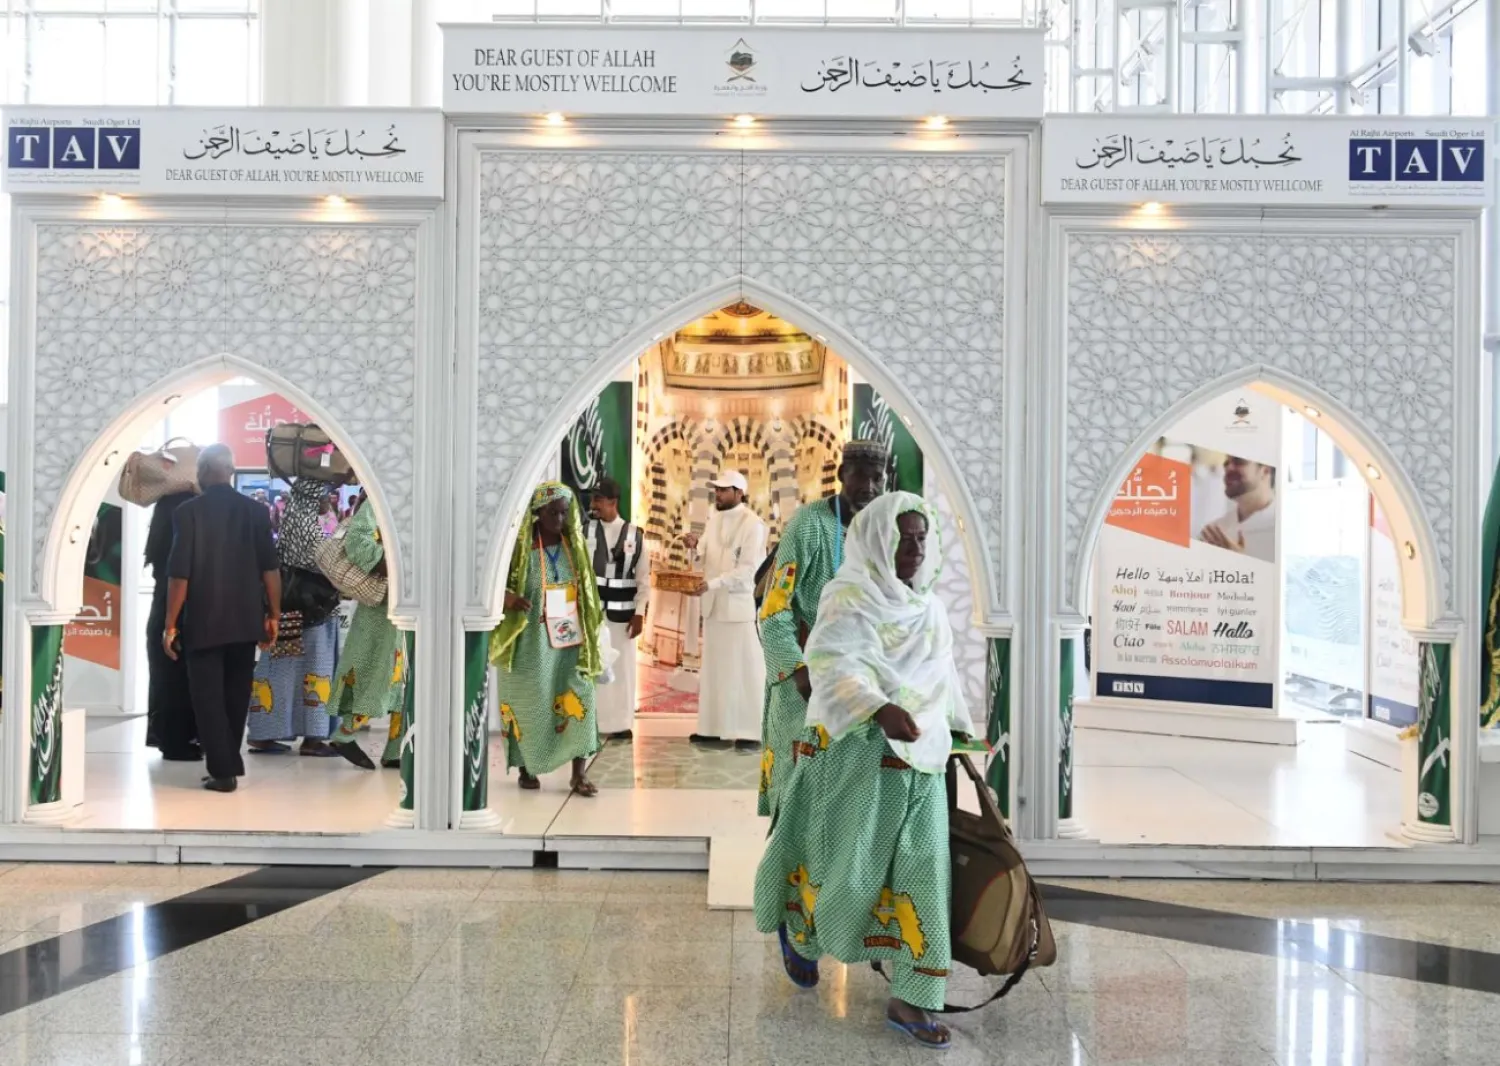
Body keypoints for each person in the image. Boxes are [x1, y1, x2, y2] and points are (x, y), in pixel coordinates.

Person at [754, 493, 972, 1050]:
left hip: (919, 763)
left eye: (923, 537)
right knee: (842, 866)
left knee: (923, 870)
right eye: (903, 535)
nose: (914, 547)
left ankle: (912, 997)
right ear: (877, 537)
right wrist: (879, 708)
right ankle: (802, 935)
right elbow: (832, 661)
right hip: (854, 755)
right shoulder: (846, 596)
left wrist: (958, 735)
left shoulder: (929, 608)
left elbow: (942, 676)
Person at [757, 440, 889, 817]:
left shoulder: (880, 529)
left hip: (859, 684)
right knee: (798, 793)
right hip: (805, 682)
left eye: (877, 477)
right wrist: (799, 674)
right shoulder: (809, 524)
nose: (869, 486)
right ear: (840, 475)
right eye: (860, 476)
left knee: (847, 800)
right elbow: (774, 609)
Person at [163, 445, 280, 793]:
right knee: (235, 696)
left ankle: (224, 770)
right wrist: (273, 614)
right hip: (246, 621)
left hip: (204, 620)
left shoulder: (188, 513)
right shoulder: (256, 512)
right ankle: (228, 763)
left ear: (201, 472)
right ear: (229, 471)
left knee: (207, 698)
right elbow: (270, 569)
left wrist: (170, 623)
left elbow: (179, 575)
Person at [491, 482, 604, 797]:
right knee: (532, 703)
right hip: (528, 643)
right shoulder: (517, 548)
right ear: (537, 513)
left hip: (570, 642)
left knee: (581, 699)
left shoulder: (574, 547)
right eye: (553, 512)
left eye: (565, 512)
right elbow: (489, 587)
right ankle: (528, 767)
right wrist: (508, 598)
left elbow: (589, 594)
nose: (560, 518)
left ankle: (578, 775)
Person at [246, 475, 342, 759]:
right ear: (312, 494)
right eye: (324, 492)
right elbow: (321, 558)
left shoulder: (302, 515)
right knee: (316, 670)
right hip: (313, 610)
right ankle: (313, 738)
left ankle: (265, 734)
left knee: (280, 669)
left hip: (292, 606)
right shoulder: (305, 519)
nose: (328, 498)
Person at [684, 470, 767, 748]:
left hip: (738, 609)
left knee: (744, 672)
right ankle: (712, 729)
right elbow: (703, 555)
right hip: (713, 608)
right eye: (716, 490)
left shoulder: (753, 524)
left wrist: (714, 583)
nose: (717, 494)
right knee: (715, 671)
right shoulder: (714, 519)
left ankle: (749, 732)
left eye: (723, 490)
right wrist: (694, 547)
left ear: (739, 493)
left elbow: (748, 571)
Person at [328, 492, 409, 770]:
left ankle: (395, 750)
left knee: (406, 678)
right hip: (382, 607)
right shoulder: (381, 500)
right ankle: (345, 733)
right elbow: (358, 541)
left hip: (408, 607)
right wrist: (400, 568)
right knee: (379, 673)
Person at [585, 478, 648, 742]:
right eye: (594, 499)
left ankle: (621, 724)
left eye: (599, 499)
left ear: (612, 502)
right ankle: (593, 723)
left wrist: (640, 612)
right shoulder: (584, 530)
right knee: (593, 669)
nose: (594, 504)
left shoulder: (635, 534)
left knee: (622, 671)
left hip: (623, 618)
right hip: (593, 616)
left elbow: (644, 579)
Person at [144, 490, 200, 762]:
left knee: (165, 677)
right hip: (179, 611)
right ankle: (180, 740)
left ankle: (168, 737)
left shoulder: (160, 532)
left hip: (162, 610)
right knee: (180, 677)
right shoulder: (184, 529)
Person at [1198, 454, 1277, 563]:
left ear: (1265, 470)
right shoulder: (1213, 533)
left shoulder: (1287, 527)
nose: (1228, 468)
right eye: (1226, 463)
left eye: (1239, 461)